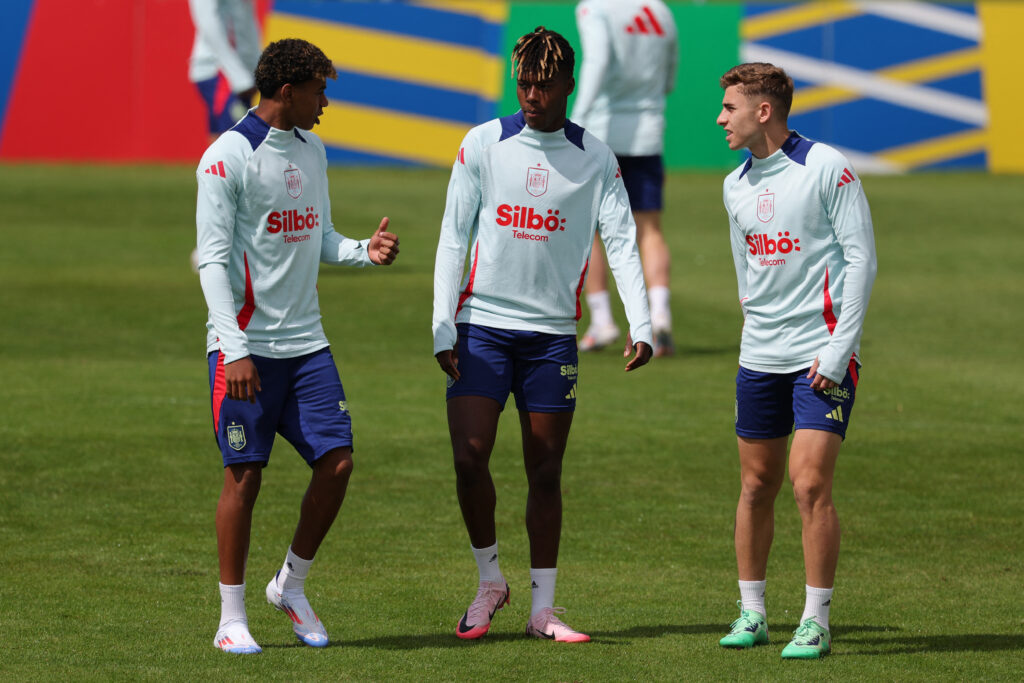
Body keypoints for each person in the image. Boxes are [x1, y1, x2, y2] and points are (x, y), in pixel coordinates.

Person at [432, 27, 653, 643]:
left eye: (544, 84)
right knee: (468, 457)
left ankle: (542, 610)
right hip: (481, 326)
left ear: (569, 86)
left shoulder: (597, 159)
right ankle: (489, 581)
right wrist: (441, 322)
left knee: (545, 471)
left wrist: (641, 324)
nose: (532, 94)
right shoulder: (482, 145)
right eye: (524, 82)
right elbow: (454, 236)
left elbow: (622, 243)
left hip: (552, 336)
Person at [195, 38, 400, 655]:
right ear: (287, 91)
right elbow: (210, 262)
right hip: (246, 349)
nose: (325, 102)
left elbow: (321, 235)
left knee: (337, 464)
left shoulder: (314, 150)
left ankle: (290, 584)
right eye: (319, 90)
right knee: (245, 477)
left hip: (308, 346)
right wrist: (233, 349)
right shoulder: (225, 158)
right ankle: (231, 619)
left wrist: (363, 251)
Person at [715, 62, 877, 659]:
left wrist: (838, 351)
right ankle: (752, 612)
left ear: (763, 111)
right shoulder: (733, 184)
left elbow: (861, 260)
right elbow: (744, 270)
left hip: (821, 355)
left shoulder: (826, 168)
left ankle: (815, 620)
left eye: (729, 108)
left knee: (809, 484)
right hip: (759, 355)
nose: (719, 119)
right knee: (756, 484)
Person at [571, 0, 678, 357]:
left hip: (602, 131)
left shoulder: (595, 7)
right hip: (648, 131)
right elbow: (670, 76)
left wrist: (577, 117)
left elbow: (597, 61)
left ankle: (602, 321)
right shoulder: (661, 11)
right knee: (650, 229)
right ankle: (659, 316)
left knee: (592, 229)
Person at [188, 0, 261, 141]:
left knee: (222, 143)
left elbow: (247, 22)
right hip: (222, 71)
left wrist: (256, 66)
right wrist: (238, 75)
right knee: (237, 142)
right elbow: (208, 22)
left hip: (240, 71)